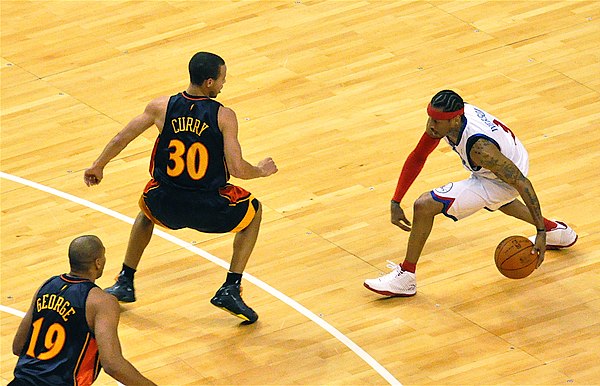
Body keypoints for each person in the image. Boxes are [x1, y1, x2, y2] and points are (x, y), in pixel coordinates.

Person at [84, 51, 277, 324]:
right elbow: (236, 169)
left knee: (145, 210)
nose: (223, 85)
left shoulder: (161, 107)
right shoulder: (224, 116)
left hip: (166, 203)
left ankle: (126, 279)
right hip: (210, 207)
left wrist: (98, 165)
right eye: (222, 80)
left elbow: (121, 137)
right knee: (253, 212)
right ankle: (231, 286)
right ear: (209, 82)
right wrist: (260, 170)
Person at [364, 90, 577, 297]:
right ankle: (556, 231)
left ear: (456, 120)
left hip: (507, 175)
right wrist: (396, 200)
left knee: (424, 205)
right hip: (511, 154)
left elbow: (523, 184)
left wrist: (539, 232)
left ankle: (406, 277)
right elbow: (419, 156)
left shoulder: (481, 149)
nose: (430, 125)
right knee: (494, 200)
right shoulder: (450, 115)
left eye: (437, 121)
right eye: (430, 118)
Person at [9, 235, 155, 386]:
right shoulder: (102, 302)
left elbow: (18, 346)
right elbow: (112, 365)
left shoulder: (47, 286)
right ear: (98, 263)